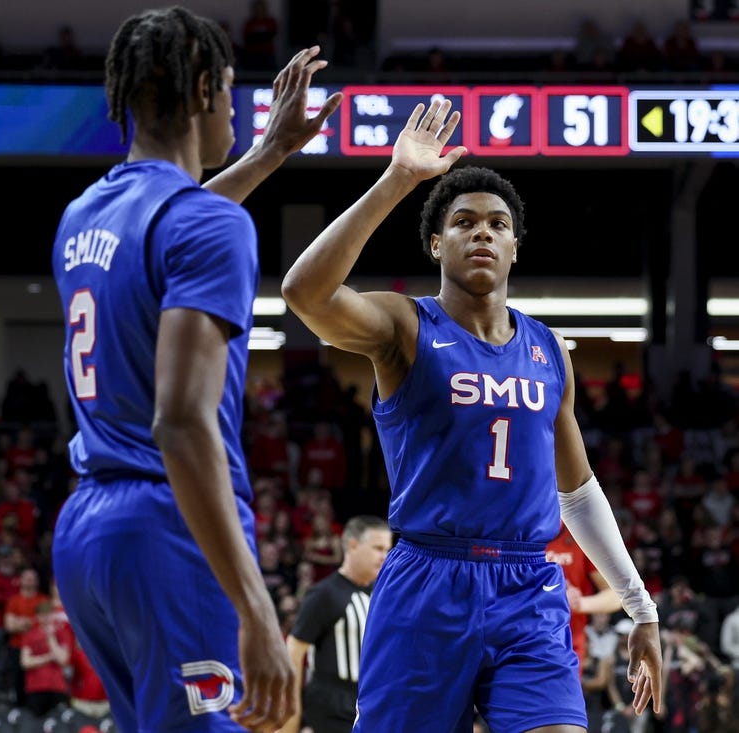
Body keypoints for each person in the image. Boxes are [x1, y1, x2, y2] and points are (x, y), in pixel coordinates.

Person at [280, 98, 662, 732]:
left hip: (527, 585)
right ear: (437, 243)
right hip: (427, 580)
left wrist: (639, 606)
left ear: (514, 246)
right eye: (463, 221)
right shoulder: (405, 326)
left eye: (496, 224)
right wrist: (398, 179)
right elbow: (304, 293)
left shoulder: (548, 351)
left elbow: (578, 493)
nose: (482, 231)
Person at [50, 6, 340, 732]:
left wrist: (271, 153)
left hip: (87, 534)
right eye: (235, 91)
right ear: (205, 87)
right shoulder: (211, 226)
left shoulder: (85, 215)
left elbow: (172, 233)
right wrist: (257, 609)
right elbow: (181, 423)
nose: (240, 113)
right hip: (168, 527)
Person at [280, 515, 392, 733]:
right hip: (331, 706)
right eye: (378, 548)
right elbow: (293, 652)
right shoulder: (324, 594)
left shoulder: (381, 594)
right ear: (352, 546)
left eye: (387, 550)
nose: (384, 557)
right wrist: (291, 720)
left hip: (369, 701)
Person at [546, 521, 623, 671]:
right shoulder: (519, 530)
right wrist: (555, 598)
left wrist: (577, 603)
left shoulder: (581, 534)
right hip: (525, 639)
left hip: (569, 644)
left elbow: (616, 596)